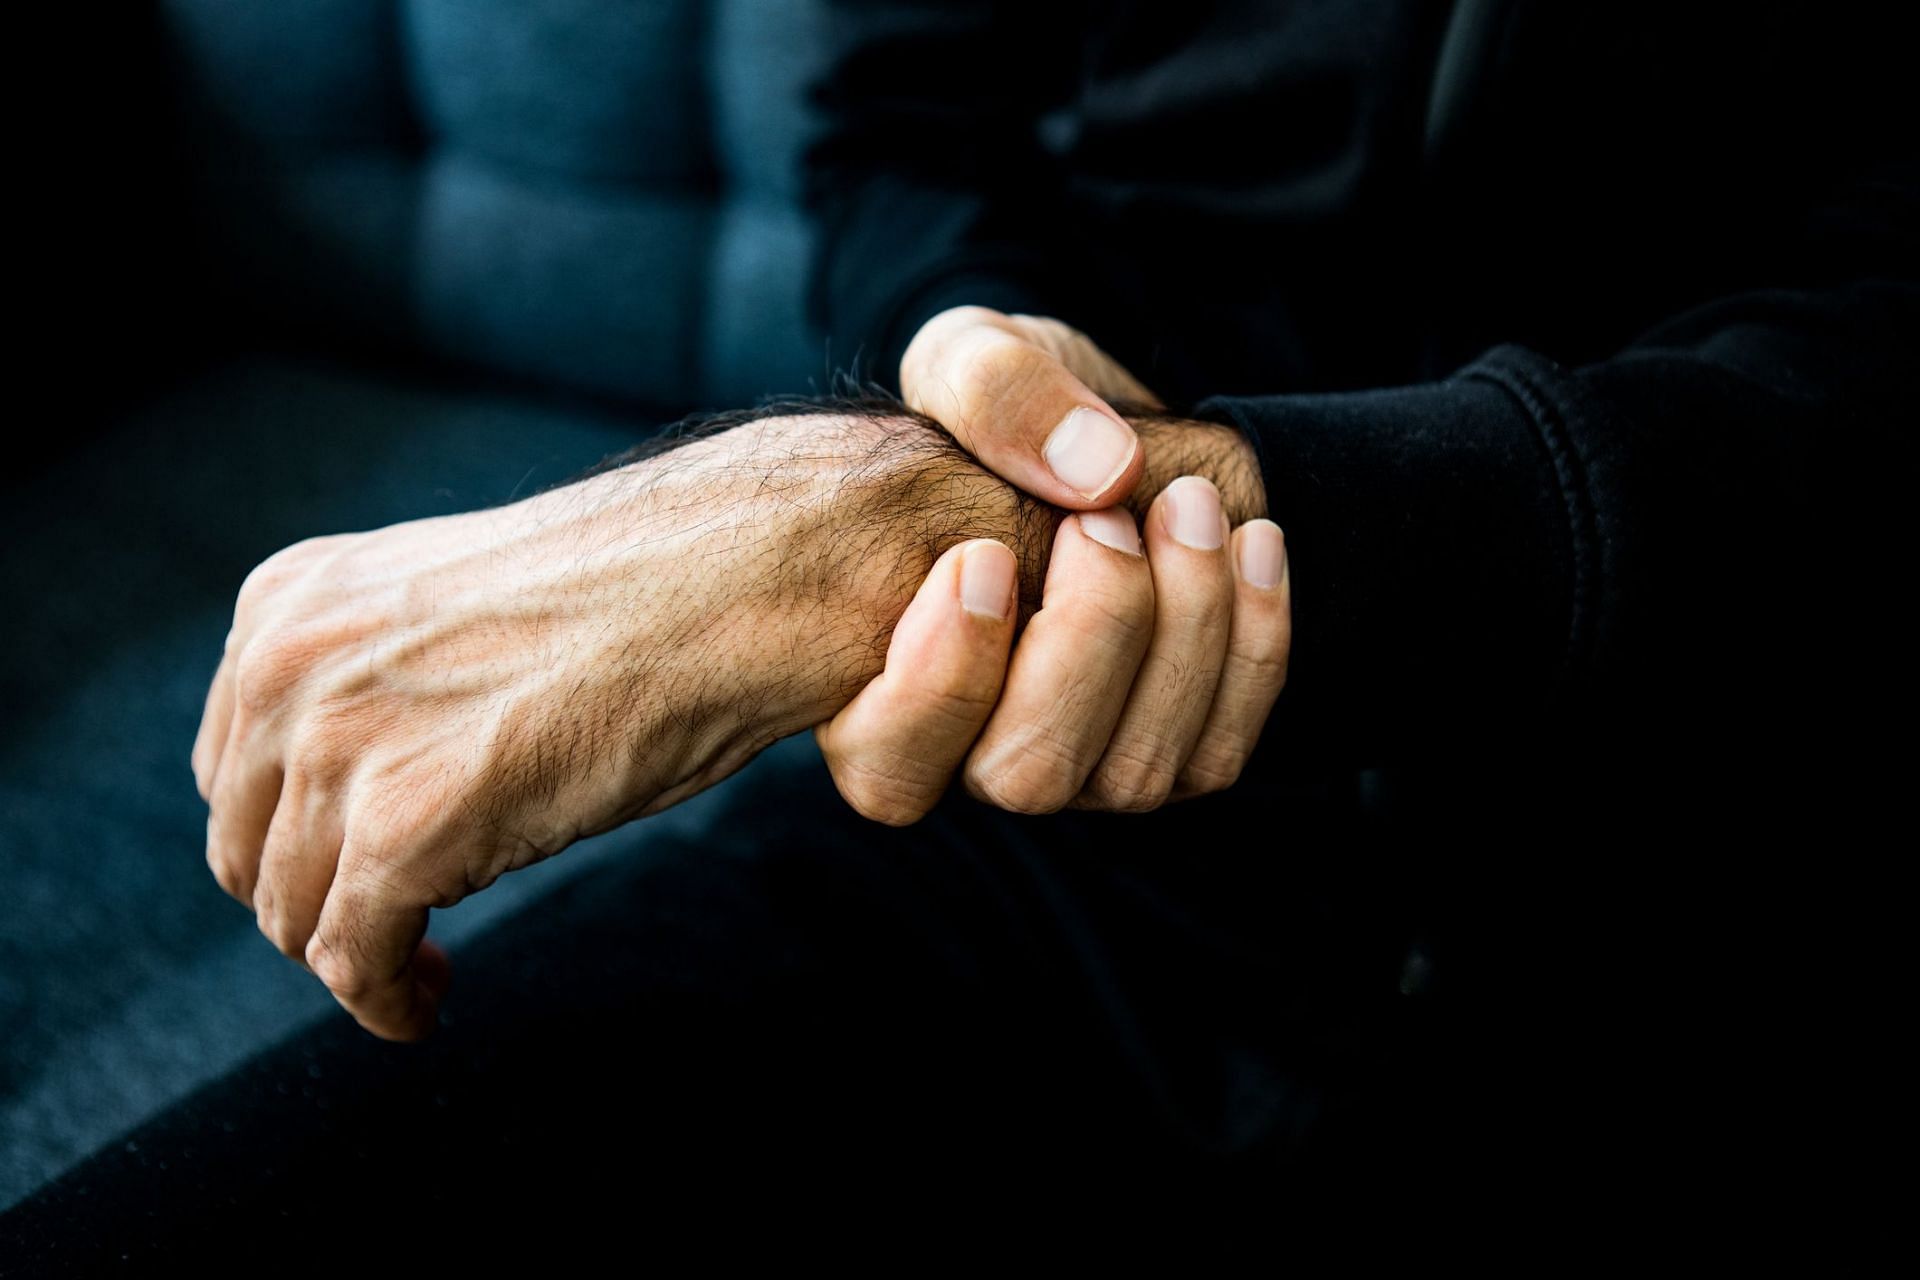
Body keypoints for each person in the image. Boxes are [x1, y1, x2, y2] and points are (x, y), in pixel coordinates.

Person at [7, 0, 1910, 1258]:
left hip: (1710, 902)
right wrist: (969, 350)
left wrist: (881, 525)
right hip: (1032, 845)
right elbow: (908, 110)